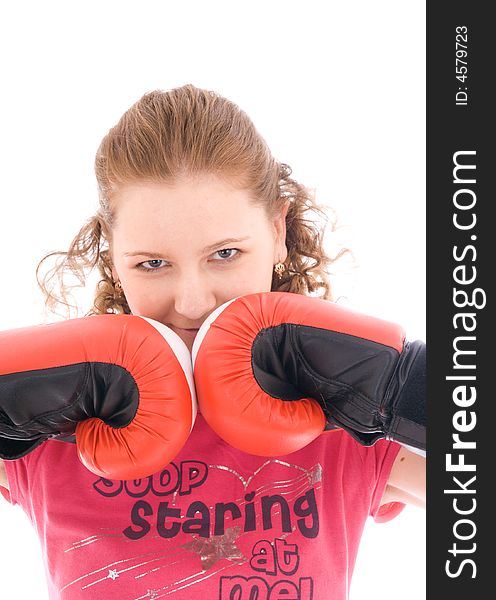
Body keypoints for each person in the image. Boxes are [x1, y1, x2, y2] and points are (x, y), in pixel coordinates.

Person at [0, 84, 425, 599]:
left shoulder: (342, 423)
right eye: (152, 264)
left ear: (277, 231)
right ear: (113, 256)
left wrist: (403, 385)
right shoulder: (53, 430)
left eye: (225, 253)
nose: (194, 301)